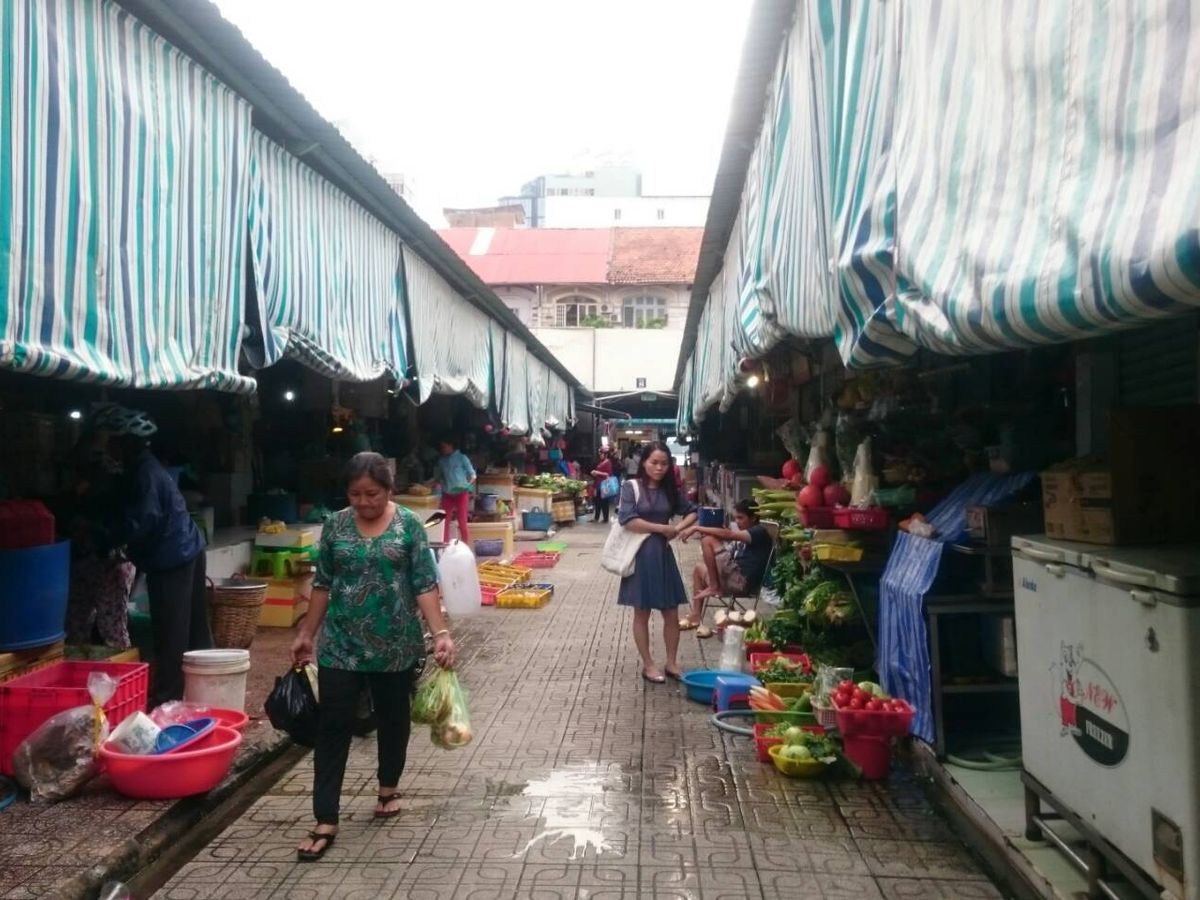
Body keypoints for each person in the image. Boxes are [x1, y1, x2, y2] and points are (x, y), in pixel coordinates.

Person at [292, 452, 455, 862]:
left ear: (388, 489)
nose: (364, 502)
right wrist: (307, 633)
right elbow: (323, 584)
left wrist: (441, 634)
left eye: (372, 494)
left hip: (396, 644)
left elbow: (424, 583)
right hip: (341, 645)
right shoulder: (335, 525)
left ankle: (387, 786)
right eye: (355, 494)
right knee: (333, 726)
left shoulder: (409, 525)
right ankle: (325, 818)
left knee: (393, 718)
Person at [91, 404, 210, 705]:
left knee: (171, 635)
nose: (108, 447)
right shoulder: (144, 467)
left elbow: (142, 520)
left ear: (126, 442)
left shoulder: (144, 473)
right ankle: (203, 694)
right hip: (188, 549)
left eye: (112, 441)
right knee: (194, 633)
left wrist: (107, 539)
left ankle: (166, 702)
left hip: (174, 558)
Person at [616, 442, 698, 683]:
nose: (659, 468)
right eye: (654, 462)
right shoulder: (631, 487)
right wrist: (662, 528)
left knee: (671, 612)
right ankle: (648, 665)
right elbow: (628, 520)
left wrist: (678, 529)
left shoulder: (671, 490)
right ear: (644, 462)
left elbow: (693, 511)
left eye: (664, 463)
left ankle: (672, 663)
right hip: (640, 555)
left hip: (663, 556)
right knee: (641, 613)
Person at [680, 499, 774, 638]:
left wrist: (696, 528)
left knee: (707, 540)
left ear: (753, 518)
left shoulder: (758, 532)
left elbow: (730, 534)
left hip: (742, 582)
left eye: (741, 518)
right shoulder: (745, 533)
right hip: (732, 577)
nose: (737, 522)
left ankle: (714, 586)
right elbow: (728, 541)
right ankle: (696, 616)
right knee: (699, 568)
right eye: (736, 518)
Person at [432, 436, 476, 546]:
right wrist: (435, 485)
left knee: (462, 522)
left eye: (444, 446)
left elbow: (473, 475)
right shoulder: (442, 461)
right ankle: (445, 546)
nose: (443, 449)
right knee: (444, 522)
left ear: (451, 445)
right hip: (447, 494)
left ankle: (465, 546)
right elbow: (438, 478)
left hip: (461, 494)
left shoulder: (462, 458)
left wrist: (467, 486)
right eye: (441, 447)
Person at [590, 449, 616, 524]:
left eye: (601, 454)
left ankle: (605, 518)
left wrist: (597, 472)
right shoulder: (601, 462)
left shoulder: (608, 462)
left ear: (606, 455)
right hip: (598, 484)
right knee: (597, 501)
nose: (600, 455)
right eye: (600, 454)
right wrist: (595, 473)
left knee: (604, 502)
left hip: (604, 485)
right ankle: (596, 518)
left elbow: (608, 474)